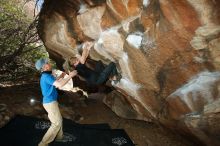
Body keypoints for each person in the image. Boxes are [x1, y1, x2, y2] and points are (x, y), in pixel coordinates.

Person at [35, 58, 77, 146]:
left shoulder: (47, 75)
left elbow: (55, 82)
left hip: (51, 102)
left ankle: (59, 137)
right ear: (45, 66)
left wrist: (61, 76)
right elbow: (59, 85)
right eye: (48, 63)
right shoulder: (46, 77)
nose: (50, 64)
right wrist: (70, 76)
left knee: (59, 120)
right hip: (50, 103)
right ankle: (43, 144)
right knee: (56, 123)